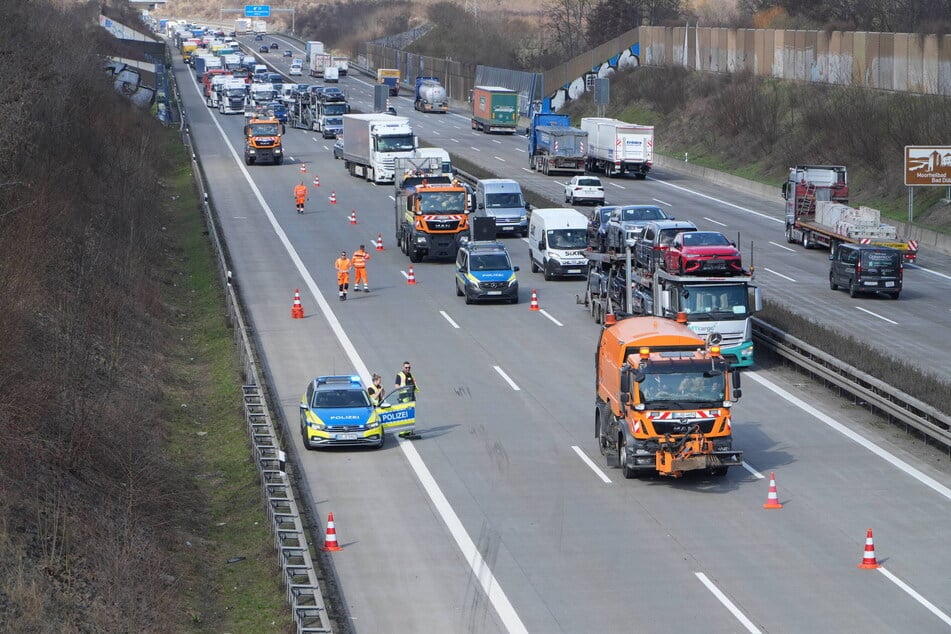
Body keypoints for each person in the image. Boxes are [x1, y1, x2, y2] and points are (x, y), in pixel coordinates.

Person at [394, 361, 419, 438]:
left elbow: (412, 385)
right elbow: (396, 386)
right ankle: (402, 432)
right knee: (404, 415)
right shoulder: (399, 375)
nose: (408, 369)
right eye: (406, 367)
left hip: (411, 397)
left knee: (410, 415)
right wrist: (403, 389)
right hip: (403, 397)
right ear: (403, 367)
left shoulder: (410, 375)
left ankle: (408, 431)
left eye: (409, 367)